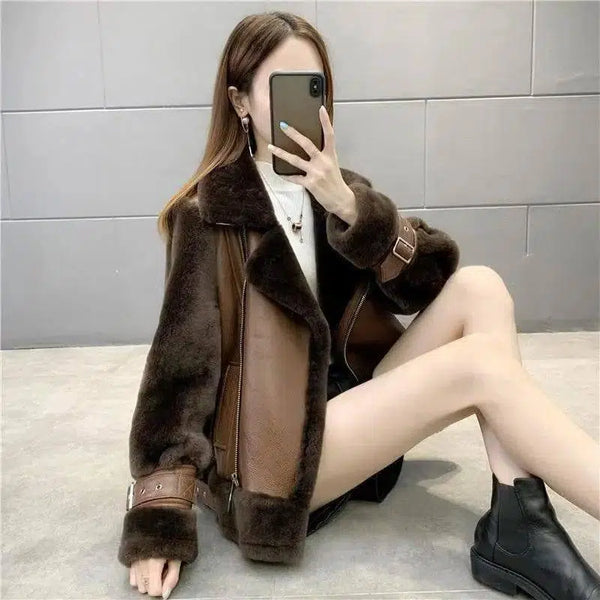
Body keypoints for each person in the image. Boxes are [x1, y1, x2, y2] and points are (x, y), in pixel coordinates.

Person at [119, 11, 600, 600]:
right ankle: (522, 530)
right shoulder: (207, 216)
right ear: (241, 101)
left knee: (481, 287)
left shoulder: (340, 190)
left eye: (314, 87)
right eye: (282, 87)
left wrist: (349, 207)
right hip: (278, 455)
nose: (304, 106)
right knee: (481, 367)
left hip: (348, 407)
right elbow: (178, 375)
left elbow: (427, 284)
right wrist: (158, 521)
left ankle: (517, 515)